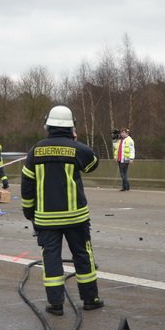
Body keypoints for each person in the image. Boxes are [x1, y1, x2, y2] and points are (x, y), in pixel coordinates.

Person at [21, 105, 103, 315]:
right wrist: (74, 142)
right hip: (76, 217)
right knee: (83, 255)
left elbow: (27, 186)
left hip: (47, 219)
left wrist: (29, 212)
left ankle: (56, 304)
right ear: (71, 127)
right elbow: (92, 164)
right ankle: (90, 299)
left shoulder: (35, 151)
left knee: (51, 259)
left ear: (47, 125)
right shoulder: (77, 149)